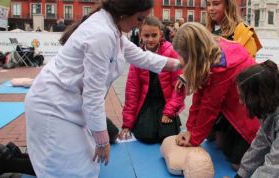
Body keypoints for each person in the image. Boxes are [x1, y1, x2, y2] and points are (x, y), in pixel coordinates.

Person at [25, 0, 182, 177]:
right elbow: (93, 96)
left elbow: (142, 57)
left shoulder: (112, 28)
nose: (140, 25)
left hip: (70, 105)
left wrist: (180, 64)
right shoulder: (102, 34)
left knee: (88, 167)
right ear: (125, 12)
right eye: (139, 18)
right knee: (70, 172)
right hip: (53, 108)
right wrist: (102, 141)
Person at [172, 22, 260, 170]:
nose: (183, 62)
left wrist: (194, 139)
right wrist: (189, 129)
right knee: (220, 143)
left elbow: (209, 107)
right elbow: (200, 95)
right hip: (234, 104)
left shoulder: (221, 67)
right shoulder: (211, 51)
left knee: (237, 164)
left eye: (185, 58)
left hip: (250, 114)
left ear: (194, 55)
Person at [119, 16, 185, 143]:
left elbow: (179, 88)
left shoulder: (172, 52)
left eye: (154, 35)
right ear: (140, 36)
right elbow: (132, 92)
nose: (150, 39)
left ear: (161, 35)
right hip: (147, 103)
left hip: (166, 102)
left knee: (167, 137)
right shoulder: (137, 57)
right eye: (146, 35)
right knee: (145, 137)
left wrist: (170, 111)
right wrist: (127, 124)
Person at [234, 60, 279, 178]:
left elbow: (275, 166)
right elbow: (260, 145)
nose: (240, 102)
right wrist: (241, 175)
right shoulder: (272, 105)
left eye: (243, 97)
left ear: (258, 97)